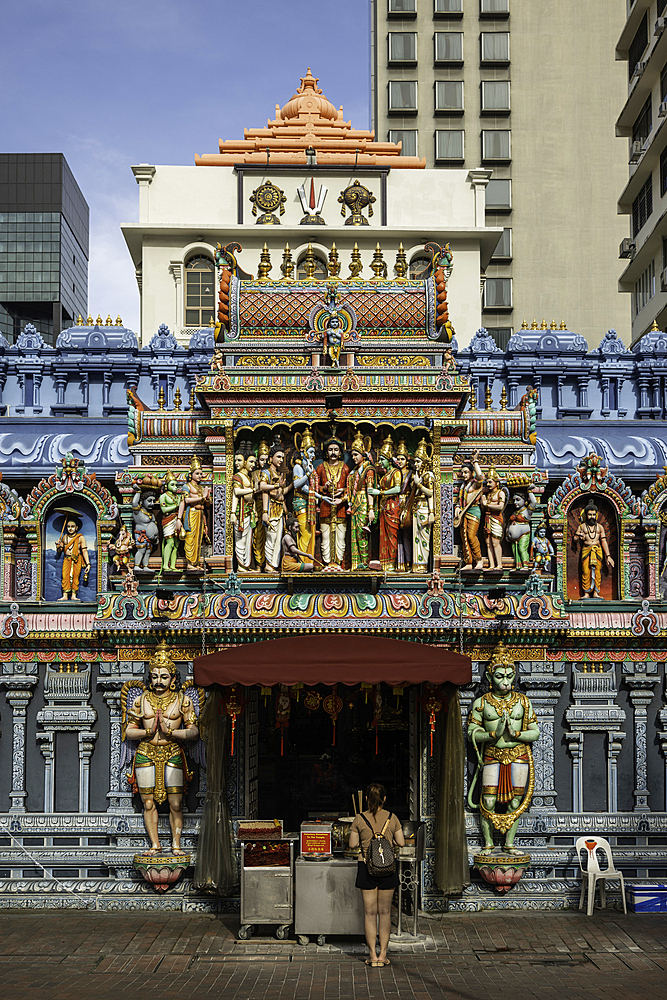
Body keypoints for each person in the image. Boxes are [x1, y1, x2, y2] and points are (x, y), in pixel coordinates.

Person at [124, 642, 199, 854]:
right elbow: (129, 731)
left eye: (164, 676)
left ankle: (176, 844)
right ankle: (155, 844)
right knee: (148, 803)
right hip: (146, 751)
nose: (158, 681)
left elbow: (194, 732)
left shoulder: (183, 701)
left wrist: (171, 732)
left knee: (176, 803)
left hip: (173, 751)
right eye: (155, 676)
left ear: (173, 679)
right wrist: (148, 732)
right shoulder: (140, 700)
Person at [348, 783, 405, 968]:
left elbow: (352, 844)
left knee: (369, 913)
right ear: (385, 799)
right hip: (388, 868)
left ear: (366, 799)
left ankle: (372, 955)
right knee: (385, 912)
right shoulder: (392, 817)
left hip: (366, 867)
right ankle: (383, 955)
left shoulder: (359, 818)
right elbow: (401, 842)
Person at [573, 501, 615, 599]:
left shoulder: (600, 527)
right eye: (589, 514)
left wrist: (608, 556)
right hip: (586, 550)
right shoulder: (582, 526)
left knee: (597, 571)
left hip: (597, 551)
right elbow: (575, 539)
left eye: (593, 514)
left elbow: (604, 541)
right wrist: (579, 536)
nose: (591, 517)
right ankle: (586, 593)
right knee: (586, 572)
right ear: (586, 515)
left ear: (596, 515)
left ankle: (596, 593)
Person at [55, 512, 91, 600]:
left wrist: (88, 564)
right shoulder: (64, 537)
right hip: (67, 559)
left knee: (76, 576)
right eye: (68, 526)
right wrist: (58, 546)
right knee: (65, 576)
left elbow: (84, 551)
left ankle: (74, 595)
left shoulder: (80, 538)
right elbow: (60, 551)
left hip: (76, 559)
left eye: (72, 526)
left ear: (76, 527)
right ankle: (65, 595)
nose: (70, 528)